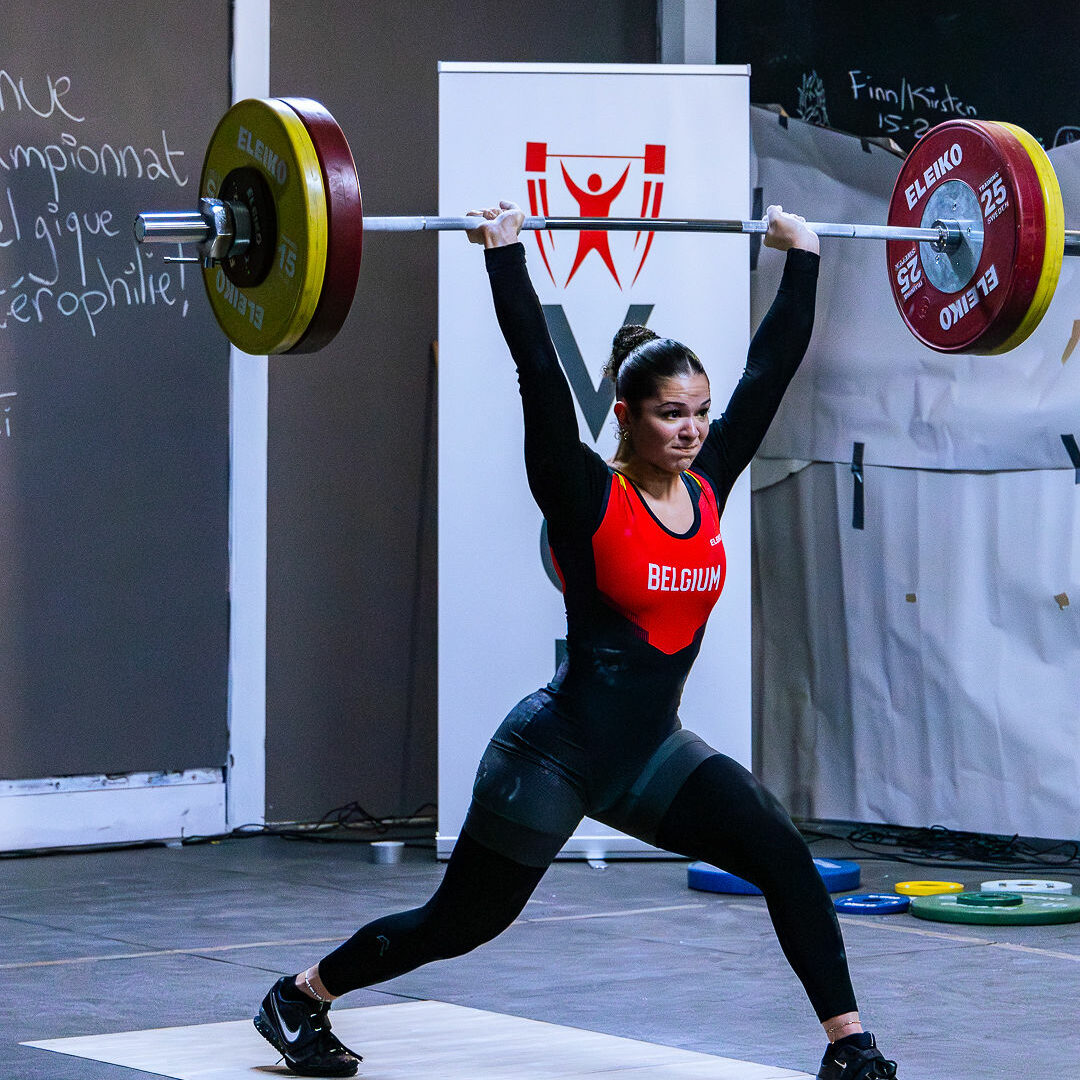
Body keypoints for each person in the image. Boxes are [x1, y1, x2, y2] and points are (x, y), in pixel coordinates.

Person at [252, 202, 899, 1080]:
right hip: (551, 756)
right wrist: (504, 256)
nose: (693, 430)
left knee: (783, 856)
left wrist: (804, 254)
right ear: (626, 414)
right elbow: (537, 371)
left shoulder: (708, 483)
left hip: (649, 755)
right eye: (670, 414)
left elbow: (771, 369)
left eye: (700, 413)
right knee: (460, 924)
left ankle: (850, 1047)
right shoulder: (583, 491)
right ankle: (302, 996)